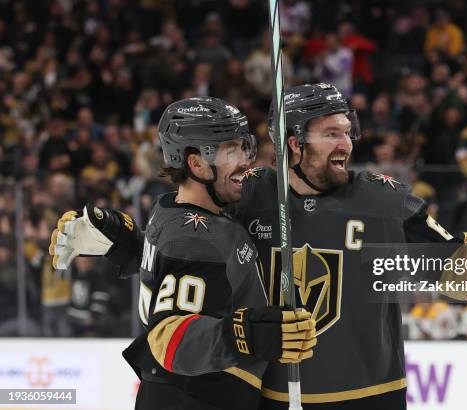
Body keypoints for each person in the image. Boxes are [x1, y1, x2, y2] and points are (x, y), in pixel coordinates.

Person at [51, 85, 467, 410]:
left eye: (348, 131)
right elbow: (189, 255)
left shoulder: (382, 205)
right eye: (331, 133)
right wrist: (120, 241)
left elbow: (455, 273)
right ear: (294, 142)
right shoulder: (250, 196)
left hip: (368, 401)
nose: (347, 143)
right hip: (270, 400)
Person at [50, 97, 316, 410]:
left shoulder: (173, 208)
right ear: (196, 163)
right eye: (231, 150)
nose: (245, 160)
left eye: (244, 147)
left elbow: (186, 278)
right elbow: (170, 339)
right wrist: (251, 333)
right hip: (195, 397)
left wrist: (130, 245)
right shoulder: (194, 239)